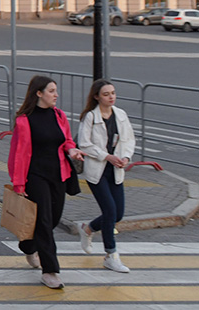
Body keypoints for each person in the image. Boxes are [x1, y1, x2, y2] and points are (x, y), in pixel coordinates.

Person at [8, 75, 84, 290]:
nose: (56, 95)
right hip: (35, 176)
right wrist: (19, 184)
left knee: (52, 219)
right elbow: (19, 154)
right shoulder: (25, 120)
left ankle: (28, 245)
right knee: (43, 221)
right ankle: (50, 271)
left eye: (55, 91)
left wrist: (73, 150)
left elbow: (67, 140)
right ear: (39, 93)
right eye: (51, 91)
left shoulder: (59, 115)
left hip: (58, 174)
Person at [77, 79, 136, 273]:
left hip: (116, 169)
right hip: (97, 170)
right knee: (110, 211)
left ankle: (88, 229)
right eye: (106, 94)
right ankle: (111, 255)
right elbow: (84, 144)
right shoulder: (90, 117)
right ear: (96, 97)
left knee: (118, 214)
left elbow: (129, 140)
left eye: (113, 93)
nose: (111, 97)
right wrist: (107, 156)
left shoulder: (120, 115)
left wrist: (125, 157)